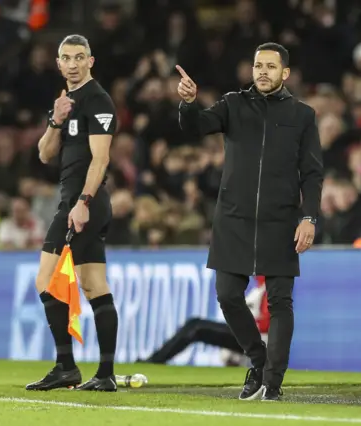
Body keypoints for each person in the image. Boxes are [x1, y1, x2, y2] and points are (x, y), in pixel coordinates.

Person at [176, 42, 323, 401]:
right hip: (233, 220)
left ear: (284, 73)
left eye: (271, 67)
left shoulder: (303, 115)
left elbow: (313, 174)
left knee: (280, 302)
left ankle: (273, 382)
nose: (263, 72)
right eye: (258, 65)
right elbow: (195, 128)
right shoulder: (232, 104)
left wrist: (309, 217)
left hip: (280, 221)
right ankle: (257, 362)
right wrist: (188, 102)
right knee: (227, 295)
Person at [25, 34, 119, 392]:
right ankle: (104, 373)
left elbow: (101, 158)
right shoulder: (65, 102)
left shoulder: (99, 100)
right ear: (59, 63)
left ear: (91, 61)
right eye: (67, 57)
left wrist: (84, 201)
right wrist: (55, 121)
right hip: (73, 203)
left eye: (80, 57)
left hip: (84, 203)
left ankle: (67, 366)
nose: (74, 63)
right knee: (94, 285)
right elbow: (44, 154)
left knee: (46, 282)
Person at [140, 276, 269, 365]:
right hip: (251, 335)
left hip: (256, 337)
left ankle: (155, 360)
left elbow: (265, 324)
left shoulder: (268, 288)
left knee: (196, 326)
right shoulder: (261, 288)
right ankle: (156, 359)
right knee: (195, 326)